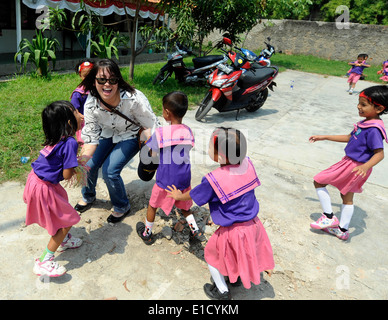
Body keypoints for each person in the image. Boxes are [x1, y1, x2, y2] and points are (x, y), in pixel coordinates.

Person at [166, 127, 274, 300]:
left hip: (233, 231)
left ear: (220, 157)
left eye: (210, 145)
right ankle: (235, 277)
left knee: (211, 255)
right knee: (240, 253)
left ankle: (222, 291)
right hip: (253, 224)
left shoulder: (214, 179)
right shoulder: (247, 164)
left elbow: (195, 194)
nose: (208, 146)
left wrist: (179, 195)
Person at [74, 59, 159, 224]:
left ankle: (122, 206)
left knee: (110, 171)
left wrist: (153, 153)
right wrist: (80, 162)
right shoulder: (91, 103)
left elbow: (152, 125)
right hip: (107, 133)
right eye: (101, 80)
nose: (107, 84)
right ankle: (88, 195)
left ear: (118, 81)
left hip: (131, 135)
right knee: (89, 165)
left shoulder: (133, 99)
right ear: (94, 81)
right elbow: (90, 137)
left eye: (112, 80)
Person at [309, 85, 388, 240]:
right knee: (346, 196)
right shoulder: (365, 123)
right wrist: (324, 136)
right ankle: (342, 230)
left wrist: (365, 166)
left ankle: (329, 217)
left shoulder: (373, 129)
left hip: (355, 166)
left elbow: (379, 154)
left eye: (364, 104)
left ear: (379, 108)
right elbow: (350, 138)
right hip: (350, 163)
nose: (359, 106)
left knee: (318, 181)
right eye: (359, 102)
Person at [23, 101, 84, 277]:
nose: (81, 115)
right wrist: (76, 166)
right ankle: (44, 261)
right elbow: (66, 175)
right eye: (77, 112)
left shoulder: (56, 138)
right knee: (67, 220)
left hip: (36, 180)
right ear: (70, 123)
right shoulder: (70, 142)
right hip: (44, 187)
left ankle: (63, 241)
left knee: (61, 209)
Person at [136, 91, 203, 245]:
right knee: (184, 207)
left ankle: (147, 233)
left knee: (152, 205)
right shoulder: (188, 130)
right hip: (184, 177)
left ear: (167, 112)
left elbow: (152, 154)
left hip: (166, 179)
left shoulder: (160, 133)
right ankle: (195, 230)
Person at [70, 59, 94, 144]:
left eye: (91, 76)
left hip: (96, 120)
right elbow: (73, 108)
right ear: (80, 75)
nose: (88, 79)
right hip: (84, 122)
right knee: (86, 141)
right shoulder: (79, 93)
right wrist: (79, 115)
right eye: (85, 76)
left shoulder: (98, 89)